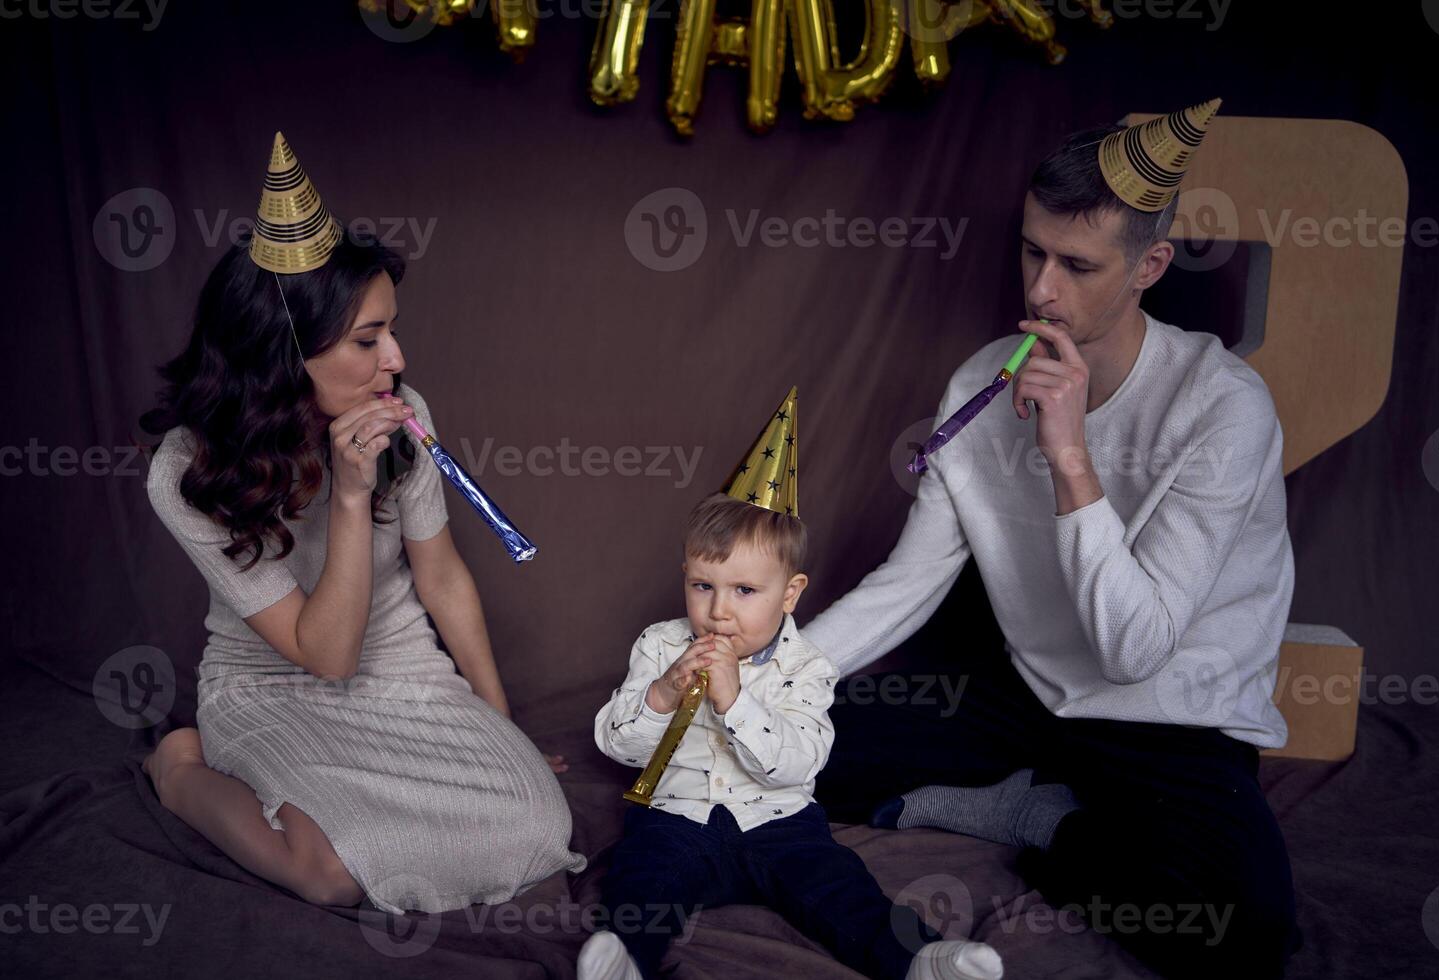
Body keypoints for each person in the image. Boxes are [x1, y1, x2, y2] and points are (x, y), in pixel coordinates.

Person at [805, 100, 1302, 979]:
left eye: (1077, 265)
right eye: (1033, 251)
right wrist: (763, 684)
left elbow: (1135, 651)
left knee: (1239, 926)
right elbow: (905, 584)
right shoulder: (980, 380)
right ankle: (1008, 801)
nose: (1041, 289)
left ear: (1149, 265)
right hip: (1028, 700)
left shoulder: (1223, 407)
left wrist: (1070, 455)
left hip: (1171, 718)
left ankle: (1045, 824)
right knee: (792, 748)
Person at [138, 132, 585, 914]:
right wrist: (349, 495)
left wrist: (500, 724)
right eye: (368, 339)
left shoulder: (404, 415)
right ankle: (179, 770)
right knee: (331, 874)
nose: (397, 358)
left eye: (391, 330)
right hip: (274, 685)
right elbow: (327, 657)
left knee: (542, 826)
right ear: (286, 354)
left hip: (403, 671)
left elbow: (442, 576)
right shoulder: (187, 469)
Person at [579, 390, 1004, 980]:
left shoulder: (808, 666)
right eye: (703, 586)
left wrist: (733, 699)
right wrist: (663, 695)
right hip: (676, 816)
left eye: (744, 591)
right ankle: (625, 960)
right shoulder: (660, 645)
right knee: (642, 879)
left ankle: (919, 960)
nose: (718, 612)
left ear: (791, 593)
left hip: (777, 822)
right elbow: (617, 744)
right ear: (686, 577)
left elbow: (796, 765)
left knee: (837, 885)